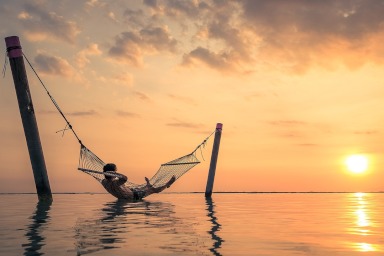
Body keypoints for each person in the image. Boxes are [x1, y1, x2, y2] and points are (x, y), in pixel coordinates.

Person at [101, 163, 176, 201]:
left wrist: (111, 173)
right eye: (116, 171)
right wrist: (115, 174)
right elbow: (125, 178)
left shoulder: (103, 182)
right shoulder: (115, 183)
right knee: (153, 190)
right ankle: (167, 184)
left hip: (130, 192)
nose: (116, 172)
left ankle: (147, 185)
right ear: (112, 173)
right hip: (134, 196)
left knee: (142, 187)